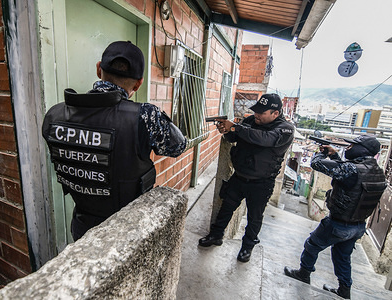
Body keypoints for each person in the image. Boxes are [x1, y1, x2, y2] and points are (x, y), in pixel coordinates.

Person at [42, 41, 186, 241]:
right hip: (128, 232)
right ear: (138, 83)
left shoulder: (55, 115)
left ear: (99, 69)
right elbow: (179, 146)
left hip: (83, 230)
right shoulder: (145, 116)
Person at [284, 135, 386, 299]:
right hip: (358, 226)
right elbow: (345, 174)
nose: (349, 147)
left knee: (312, 245)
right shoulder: (378, 172)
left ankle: (303, 273)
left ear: (363, 150)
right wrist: (334, 155)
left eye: (353, 145)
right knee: (343, 257)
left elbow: (317, 164)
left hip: (339, 223)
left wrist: (321, 153)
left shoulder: (353, 169)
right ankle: (344, 290)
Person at [198, 93, 294, 263]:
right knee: (226, 208)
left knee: (254, 218)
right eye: (256, 111)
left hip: (261, 183)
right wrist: (226, 131)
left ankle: (247, 247)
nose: (256, 115)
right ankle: (216, 235)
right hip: (239, 176)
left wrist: (235, 127)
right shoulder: (250, 121)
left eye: (262, 113)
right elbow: (234, 137)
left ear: (275, 114)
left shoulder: (285, 129)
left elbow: (265, 139)